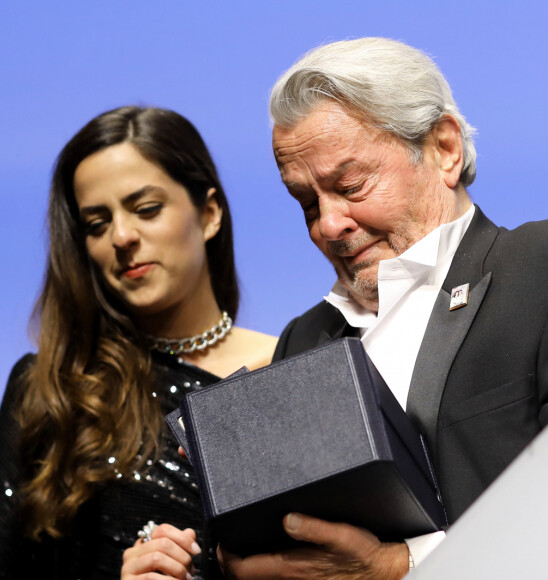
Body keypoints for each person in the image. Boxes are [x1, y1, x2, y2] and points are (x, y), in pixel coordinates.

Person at [219, 37, 548, 579]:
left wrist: (405, 566)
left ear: (444, 148)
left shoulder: (537, 270)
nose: (328, 225)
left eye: (350, 185)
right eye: (306, 202)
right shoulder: (305, 339)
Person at [0, 106, 277, 580]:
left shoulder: (289, 368)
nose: (122, 236)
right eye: (96, 224)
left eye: (146, 209)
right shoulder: (51, 390)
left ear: (209, 214)